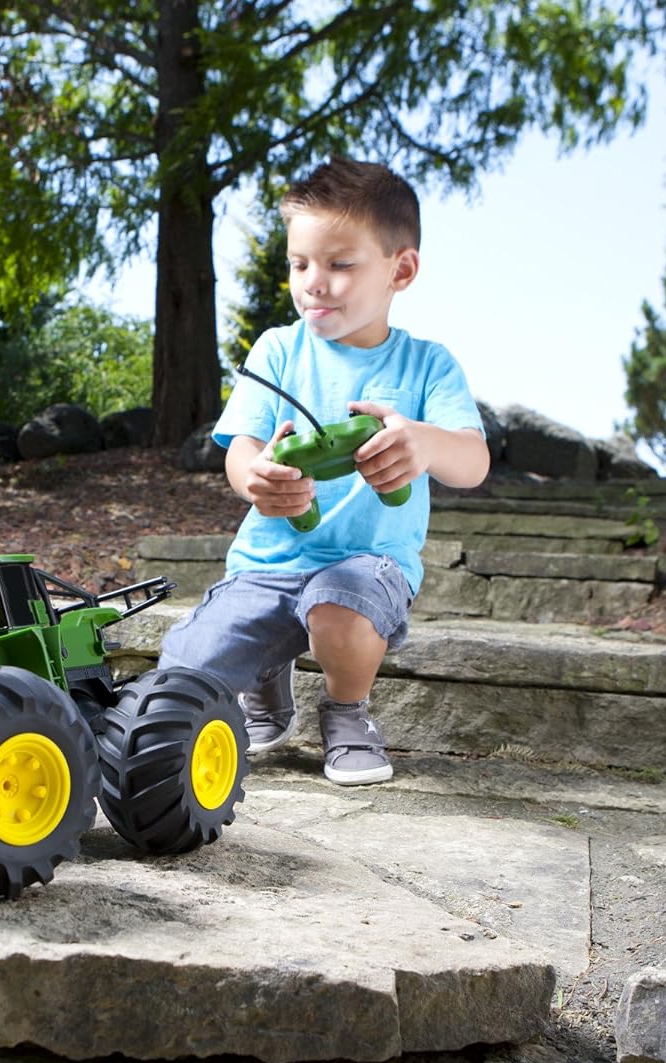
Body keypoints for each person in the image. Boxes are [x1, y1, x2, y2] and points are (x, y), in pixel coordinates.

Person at [159, 158, 490, 785]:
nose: (314, 282)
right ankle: (264, 681)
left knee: (339, 603)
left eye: (340, 265)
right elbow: (242, 447)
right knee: (184, 665)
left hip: (368, 567)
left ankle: (347, 712)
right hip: (267, 561)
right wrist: (254, 475)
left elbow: (472, 461)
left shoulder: (427, 366)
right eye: (300, 263)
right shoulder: (277, 351)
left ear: (401, 269)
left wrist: (420, 442)